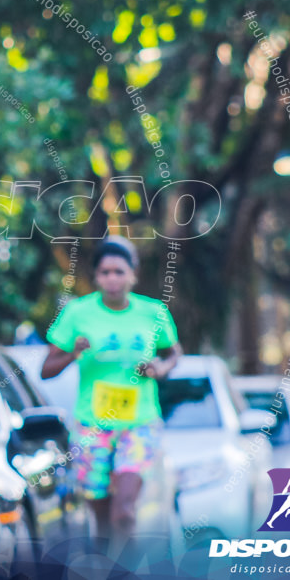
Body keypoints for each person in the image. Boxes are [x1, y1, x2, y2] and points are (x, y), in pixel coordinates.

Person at [40, 237, 182, 560]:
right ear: (96, 277)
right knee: (102, 518)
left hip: (140, 422)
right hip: (93, 424)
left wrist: (160, 368)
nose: (112, 279)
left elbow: (174, 352)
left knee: (125, 512)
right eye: (105, 273)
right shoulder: (78, 312)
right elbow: (46, 369)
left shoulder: (153, 312)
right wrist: (73, 353)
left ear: (134, 274)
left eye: (119, 271)